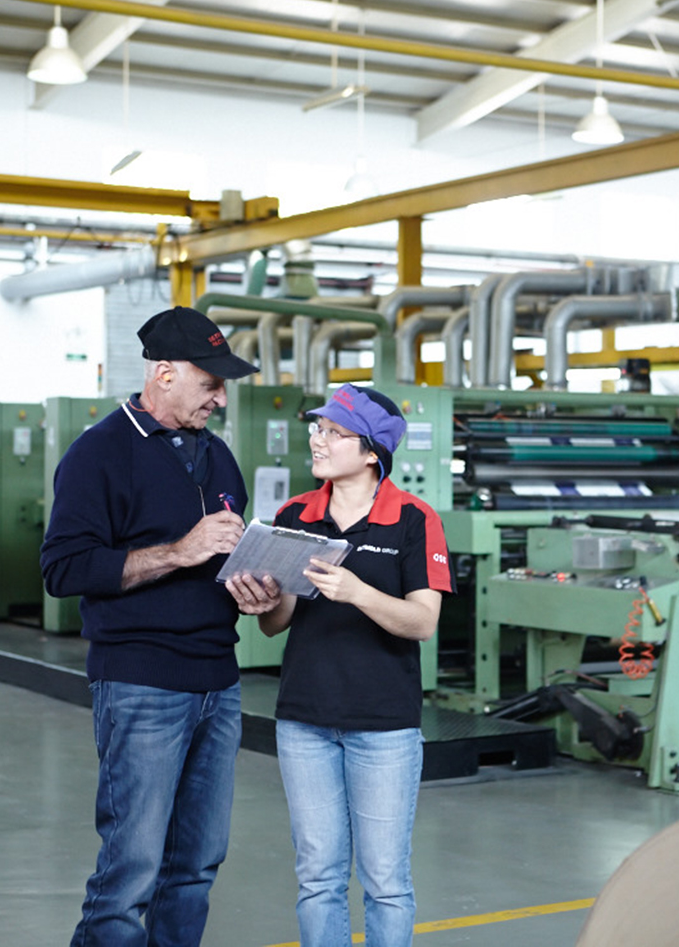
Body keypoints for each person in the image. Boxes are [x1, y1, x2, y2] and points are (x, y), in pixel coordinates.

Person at [41, 306, 260, 947]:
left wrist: (252, 584)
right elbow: (64, 568)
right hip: (141, 685)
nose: (221, 398)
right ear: (163, 373)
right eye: (210, 382)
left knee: (194, 868)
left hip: (218, 684)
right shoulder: (99, 454)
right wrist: (179, 551)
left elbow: (220, 562)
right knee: (129, 875)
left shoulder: (218, 458)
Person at [226, 383, 456, 947]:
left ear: (373, 451)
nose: (317, 439)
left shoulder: (413, 519)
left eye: (333, 432)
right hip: (305, 720)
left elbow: (423, 622)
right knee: (318, 878)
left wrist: (357, 592)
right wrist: (261, 597)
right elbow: (275, 623)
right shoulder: (294, 515)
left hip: (384, 727)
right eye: (317, 429)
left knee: (385, 882)